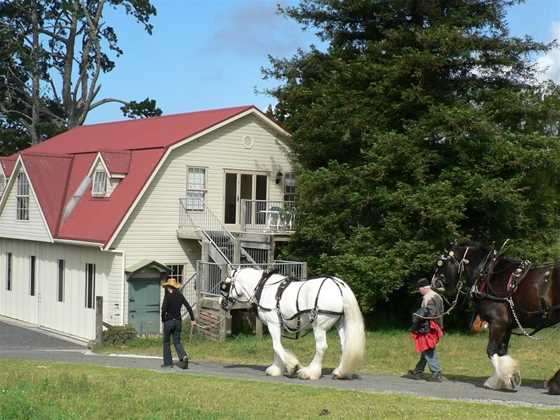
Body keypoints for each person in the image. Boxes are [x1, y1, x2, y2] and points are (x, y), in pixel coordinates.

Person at [407, 277, 445, 382]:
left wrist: (418, 316)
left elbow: (430, 314)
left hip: (429, 328)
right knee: (426, 349)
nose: (419, 290)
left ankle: (436, 373)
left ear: (424, 287)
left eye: (419, 288)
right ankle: (418, 371)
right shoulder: (437, 296)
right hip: (435, 327)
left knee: (428, 350)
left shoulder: (429, 297)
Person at [161, 277, 196, 369]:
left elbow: (163, 309)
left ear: (169, 287)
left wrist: (163, 319)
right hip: (178, 322)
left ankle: (168, 363)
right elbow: (188, 307)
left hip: (168, 321)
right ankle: (183, 356)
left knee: (166, 342)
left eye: (166, 287)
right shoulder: (180, 295)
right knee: (177, 342)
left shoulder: (167, 296)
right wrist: (193, 319)